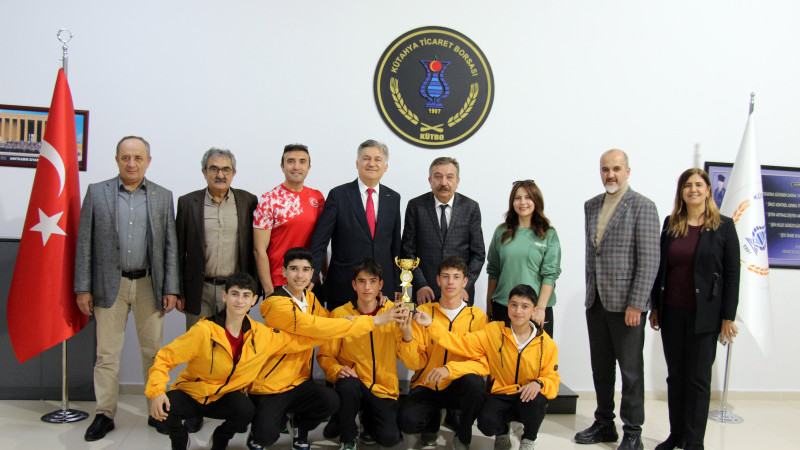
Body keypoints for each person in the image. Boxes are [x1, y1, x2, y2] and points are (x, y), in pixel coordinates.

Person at [74, 135, 180, 441]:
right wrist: (83, 287)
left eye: (138, 158)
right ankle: (104, 414)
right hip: (109, 285)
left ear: (148, 161)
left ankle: (155, 411)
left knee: (154, 354)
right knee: (106, 354)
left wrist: (171, 287)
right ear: (117, 160)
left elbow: (170, 245)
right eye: (125, 158)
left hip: (149, 284)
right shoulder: (97, 193)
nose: (132, 163)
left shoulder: (162, 196)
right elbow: (84, 243)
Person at [247, 248, 405, 450]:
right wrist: (374, 320)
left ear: (312, 273)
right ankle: (261, 429)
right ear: (284, 272)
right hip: (272, 384)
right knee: (266, 436)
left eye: (305, 270)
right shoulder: (277, 304)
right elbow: (318, 326)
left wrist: (373, 302)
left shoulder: (310, 299)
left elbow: (332, 321)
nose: (300, 275)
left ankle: (300, 426)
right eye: (294, 269)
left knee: (330, 401)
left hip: (300, 381)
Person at [146, 273, 326, 450]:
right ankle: (180, 442)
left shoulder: (260, 335)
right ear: (224, 296)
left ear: (254, 300)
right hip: (193, 393)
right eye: (235, 294)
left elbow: (299, 341)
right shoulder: (204, 330)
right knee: (162, 409)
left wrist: (338, 331)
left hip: (224, 396)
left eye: (246, 295)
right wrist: (157, 392)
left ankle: (220, 439)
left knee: (246, 410)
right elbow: (164, 357)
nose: (240, 301)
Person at [649, 168, 740, 450]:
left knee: (698, 380)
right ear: (681, 191)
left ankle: (695, 441)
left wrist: (728, 317)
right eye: (687, 185)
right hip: (672, 312)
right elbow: (660, 268)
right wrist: (655, 306)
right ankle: (676, 435)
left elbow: (732, 275)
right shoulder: (671, 224)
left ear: (708, 190)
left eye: (699, 185)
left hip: (706, 316)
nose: (693, 190)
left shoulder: (724, 226)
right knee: (676, 377)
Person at [576, 149, 660, 450]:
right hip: (596, 301)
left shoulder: (643, 206)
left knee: (631, 372)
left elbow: (649, 259)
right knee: (601, 369)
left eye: (616, 169)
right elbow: (594, 254)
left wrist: (637, 303)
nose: (610, 174)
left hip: (627, 306)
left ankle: (633, 431)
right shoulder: (591, 205)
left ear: (627, 171)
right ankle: (604, 423)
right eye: (605, 169)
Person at [413, 284, 560, 450]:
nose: (518, 311)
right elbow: (462, 342)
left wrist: (539, 383)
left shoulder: (546, 344)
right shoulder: (493, 331)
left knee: (537, 400)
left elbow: (552, 378)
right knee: (486, 424)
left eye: (525, 306)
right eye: (514, 305)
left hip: (527, 395)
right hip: (501, 393)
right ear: (508, 306)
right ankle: (502, 430)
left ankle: (529, 439)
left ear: (534, 310)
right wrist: (431, 325)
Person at [317, 259, 420, 450]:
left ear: (380, 285)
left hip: (383, 389)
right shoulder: (339, 314)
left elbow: (413, 362)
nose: (367, 287)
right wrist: (337, 370)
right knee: (348, 385)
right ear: (354, 285)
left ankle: (366, 419)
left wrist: (407, 335)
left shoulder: (395, 312)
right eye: (362, 281)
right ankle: (348, 437)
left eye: (372, 281)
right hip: (354, 384)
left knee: (389, 439)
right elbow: (325, 356)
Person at [398, 256, 489, 450]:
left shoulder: (478, 317)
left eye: (456, 277)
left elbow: (482, 362)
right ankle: (431, 424)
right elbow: (415, 364)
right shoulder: (423, 312)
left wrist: (450, 370)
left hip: (459, 384)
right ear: (438, 280)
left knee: (475, 385)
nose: (450, 282)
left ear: (465, 282)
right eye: (446, 276)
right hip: (428, 383)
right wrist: (407, 337)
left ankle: (463, 434)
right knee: (407, 421)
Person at [310, 139, 402, 310]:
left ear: (385, 166)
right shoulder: (338, 195)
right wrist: (312, 275)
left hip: (382, 289)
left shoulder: (393, 198)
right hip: (344, 284)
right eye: (366, 158)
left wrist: (397, 284)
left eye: (377, 159)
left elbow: (395, 246)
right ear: (357, 163)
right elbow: (320, 241)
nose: (371, 163)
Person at [176, 147, 258, 331]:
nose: (220, 175)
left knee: (231, 342)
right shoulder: (188, 203)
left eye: (226, 169)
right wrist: (179, 291)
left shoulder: (248, 201)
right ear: (204, 172)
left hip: (235, 290)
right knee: (199, 342)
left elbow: (254, 247)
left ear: (233, 173)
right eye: (214, 169)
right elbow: (178, 252)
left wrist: (254, 287)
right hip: (199, 289)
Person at [401, 157, 485, 304]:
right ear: (430, 180)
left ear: (457, 181)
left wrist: (465, 285)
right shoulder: (416, 206)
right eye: (438, 177)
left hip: (460, 293)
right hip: (426, 292)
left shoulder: (471, 208)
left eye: (449, 177)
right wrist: (421, 284)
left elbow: (478, 254)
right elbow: (408, 251)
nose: (444, 183)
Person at [486, 180, 561, 337]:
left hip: (535, 310)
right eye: (518, 198)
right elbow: (493, 270)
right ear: (512, 202)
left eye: (528, 197)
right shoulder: (501, 231)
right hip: (504, 307)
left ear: (536, 200)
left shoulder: (548, 234)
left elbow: (550, 275)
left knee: (538, 353)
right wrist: (489, 303)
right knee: (501, 352)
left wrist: (540, 308)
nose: (522, 202)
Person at [254, 144, 325, 298]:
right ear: (282, 166)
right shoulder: (269, 200)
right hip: (281, 281)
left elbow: (321, 242)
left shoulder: (317, 198)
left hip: (311, 281)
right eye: (291, 161)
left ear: (309, 167)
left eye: (302, 161)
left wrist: (324, 275)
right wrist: (268, 289)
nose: (296, 166)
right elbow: (259, 250)